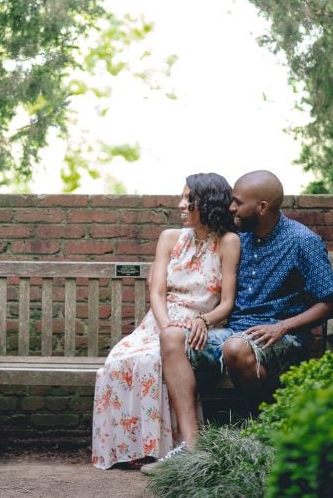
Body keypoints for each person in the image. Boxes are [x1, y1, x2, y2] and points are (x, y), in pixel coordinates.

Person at [142, 169, 333, 475]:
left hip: (280, 336)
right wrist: (201, 319)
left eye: (237, 203)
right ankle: (192, 447)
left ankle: (265, 428)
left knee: (236, 348)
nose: (230, 208)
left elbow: (330, 303)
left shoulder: (302, 241)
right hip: (232, 331)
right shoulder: (236, 238)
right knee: (172, 338)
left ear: (261, 207)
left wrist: (283, 326)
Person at [91, 173, 240, 470]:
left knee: (151, 363)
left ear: (207, 203)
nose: (181, 204)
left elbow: (227, 303)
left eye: (189, 199)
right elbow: (156, 291)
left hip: (199, 325)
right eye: (182, 198)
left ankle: (170, 450)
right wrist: (165, 325)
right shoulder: (170, 238)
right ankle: (131, 450)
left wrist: (204, 320)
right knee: (117, 361)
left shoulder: (228, 242)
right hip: (160, 323)